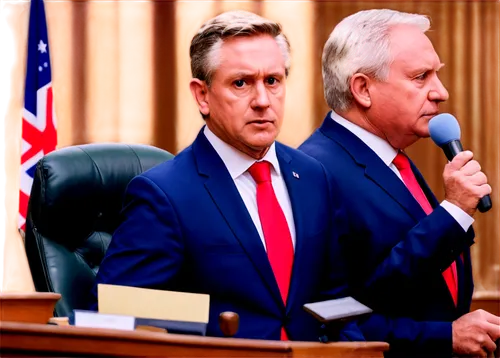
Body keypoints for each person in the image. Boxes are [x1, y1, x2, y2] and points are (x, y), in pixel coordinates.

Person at [90, 10, 364, 342]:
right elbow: (115, 315)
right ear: (202, 95)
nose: (263, 101)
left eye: (273, 81)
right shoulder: (165, 194)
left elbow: (335, 300)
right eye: (241, 83)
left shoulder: (313, 176)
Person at [299, 8, 500, 357]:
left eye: (437, 74)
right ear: (362, 89)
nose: (442, 92)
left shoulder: (394, 157)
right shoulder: (315, 171)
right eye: (421, 77)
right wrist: (443, 336)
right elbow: (334, 316)